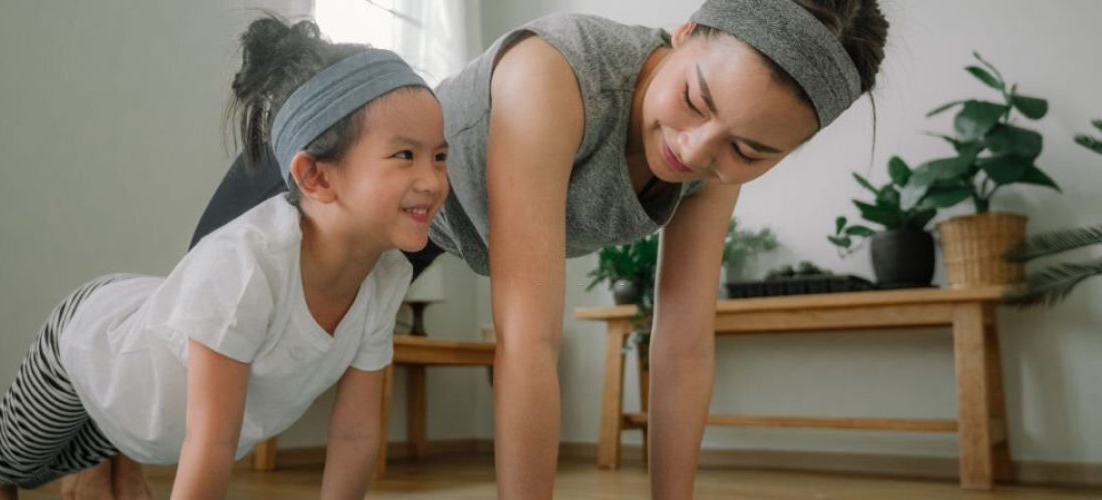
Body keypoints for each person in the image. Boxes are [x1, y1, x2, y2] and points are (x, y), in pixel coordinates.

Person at [89, 0, 890, 498]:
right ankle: (92, 449)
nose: (696, 148)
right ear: (684, 33)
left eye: (750, 151)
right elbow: (528, 340)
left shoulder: (717, 152)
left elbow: (682, 346)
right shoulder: (559, 73)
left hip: (420, 234)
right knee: (174, 356)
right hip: (330, 187)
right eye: (695, 99)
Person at [0, 16, 448, 500]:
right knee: (14, 459)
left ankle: (88, 464)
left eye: (440, 157)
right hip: (86, 348)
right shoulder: (247, 267)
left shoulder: (386, 277)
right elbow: (210, 444)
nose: (432, 180)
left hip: (144, 409)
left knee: (84, 450)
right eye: (405, 155)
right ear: (316, 177)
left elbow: (355, 435)